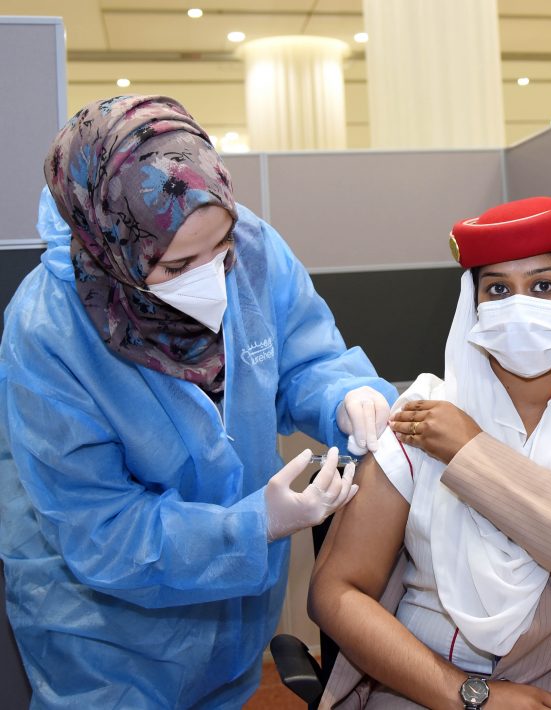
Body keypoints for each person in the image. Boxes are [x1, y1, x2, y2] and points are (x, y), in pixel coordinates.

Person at [0, 95, 397, 708]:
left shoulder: (255, 249)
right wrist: (253, 524)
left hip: (233, 617)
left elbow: (303, 356)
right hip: (107, 638)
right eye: (178, 264)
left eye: (222, 249)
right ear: (114, 250)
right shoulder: (49, 332)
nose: (213, 277)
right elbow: (102, 530)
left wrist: (344, 396)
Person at [309, 196, 551, 709]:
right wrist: (471, 696)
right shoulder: (421, 416)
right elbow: (336, 591)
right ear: (474, 306)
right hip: (427, 683)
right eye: (498, 289)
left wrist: (471, 451)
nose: (519, 304)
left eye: (544, 285)